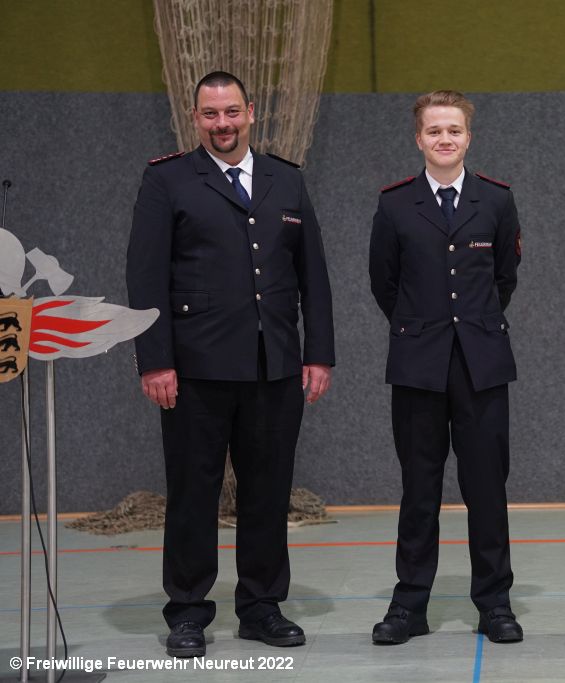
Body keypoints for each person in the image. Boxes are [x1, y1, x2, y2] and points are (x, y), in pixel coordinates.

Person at [126, 71, 335, 658]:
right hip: (195, 369)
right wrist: (155, 360)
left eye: (232, 112)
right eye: (211, 114)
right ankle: (188, 611)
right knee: (193, 492)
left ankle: (261, 606)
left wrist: (318, 353)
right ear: (196, 118)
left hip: (274, 364)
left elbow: (313, 275)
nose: (223, 124)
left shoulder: (285, 179)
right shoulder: (167, 179)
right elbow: (145, 275)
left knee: (268, 491)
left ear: (251, 112)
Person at [368, 90, 523, 645]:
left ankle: (495, 604)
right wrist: (423, 328)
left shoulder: (496, 200)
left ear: (468, 137)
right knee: (419, 489)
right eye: (434, 130)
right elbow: (384, 283)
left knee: (487, 490)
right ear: (419, 139)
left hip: (482, 365)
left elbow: (504, 278)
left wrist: (470, 327)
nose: (444, 139)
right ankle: (409, 606)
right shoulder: (394, 205)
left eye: (454, 130)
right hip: (418, 366)